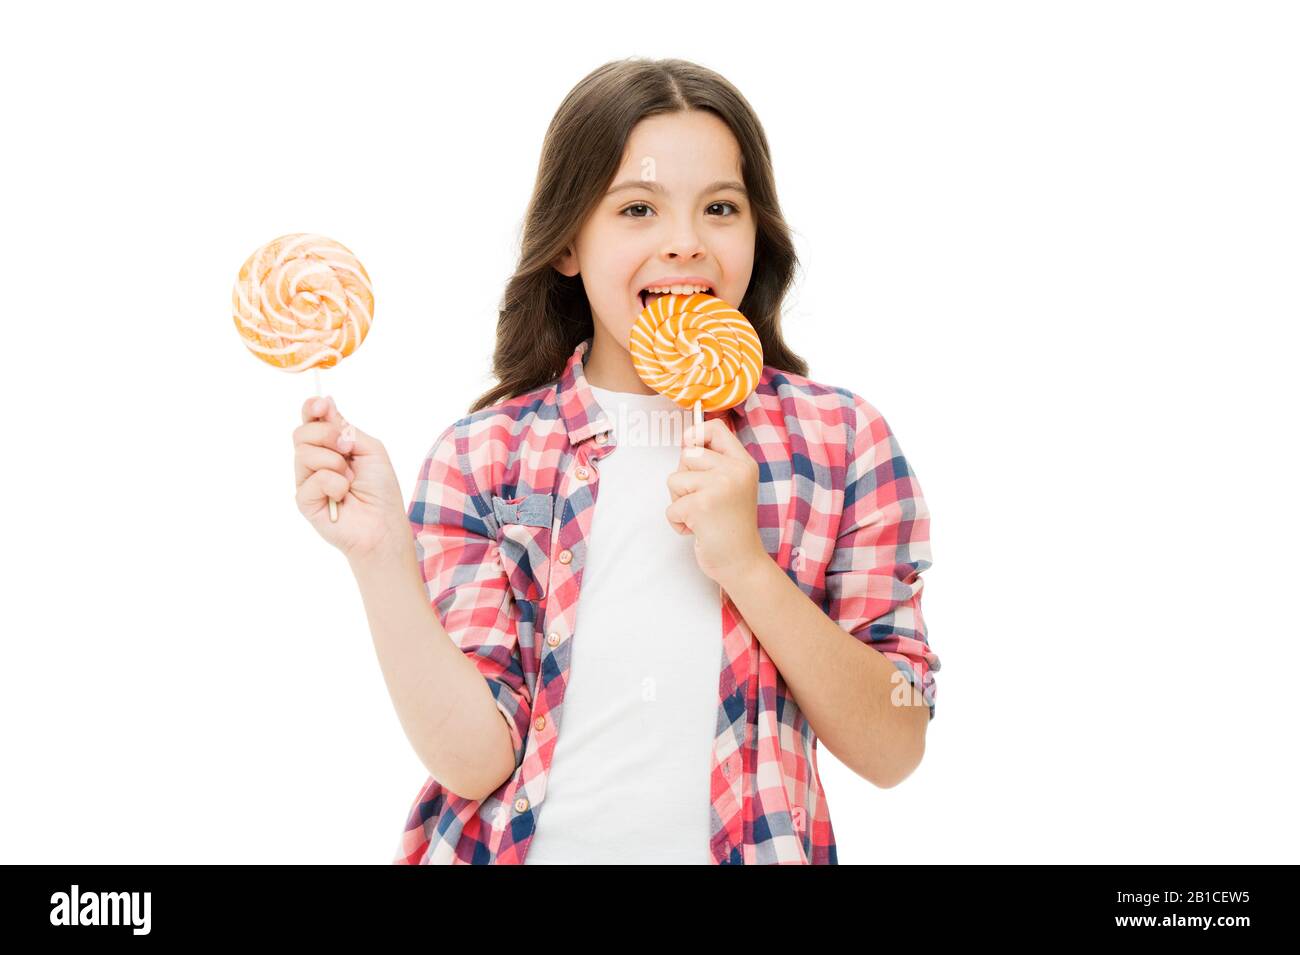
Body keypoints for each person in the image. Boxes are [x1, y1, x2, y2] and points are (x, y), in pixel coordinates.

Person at [291, 57, 939, 865]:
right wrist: (381, 557)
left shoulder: (842, 442)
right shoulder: (483, 454)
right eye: (638, 207)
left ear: (754, 231)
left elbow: (900, 734)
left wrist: (747, 564)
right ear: (567, 242)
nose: (685, 243)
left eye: (721, 208)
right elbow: (473, 758)